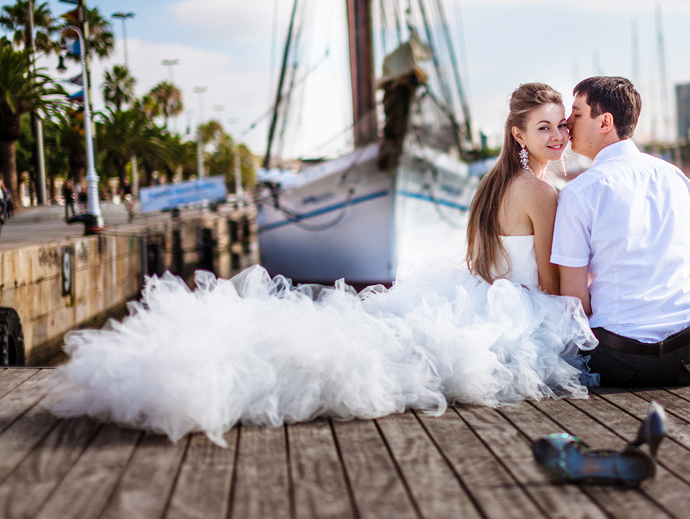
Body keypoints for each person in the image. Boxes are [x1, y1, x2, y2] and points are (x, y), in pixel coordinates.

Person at [49, 83, 596, 446]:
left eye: (560, 126)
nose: (555, 136)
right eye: (543, 127)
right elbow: (550, 283)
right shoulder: (542, 194)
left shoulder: (496, 184)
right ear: (517, 134)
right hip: (514, 309)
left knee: (379, 347)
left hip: (479, 295)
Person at [551, 76, 690, 387]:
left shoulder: (580, 192)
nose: (567, 123)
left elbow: (575, 300)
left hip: (621, 363)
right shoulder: (678, 179)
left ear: (605, 122)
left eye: (577, 113)